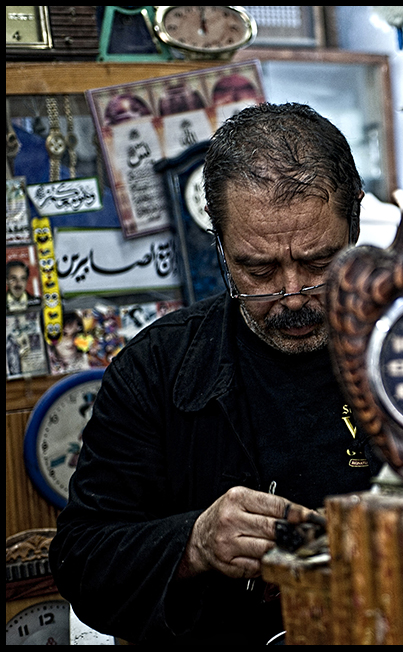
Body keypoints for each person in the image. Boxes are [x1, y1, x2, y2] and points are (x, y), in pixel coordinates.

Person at [50, 103, 378, 645]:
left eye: (319, 263)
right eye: (259, 269)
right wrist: (193, 543)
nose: (293, 295)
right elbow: (81, 560)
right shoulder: (156, 370)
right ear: (221, 246)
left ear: (355, 226)